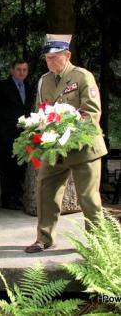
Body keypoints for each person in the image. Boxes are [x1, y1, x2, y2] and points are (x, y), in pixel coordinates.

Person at [25, 34, 107, 253]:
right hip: (55, 149)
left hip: (83, 148)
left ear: (67, 55)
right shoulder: (44, 80)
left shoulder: (82, 77)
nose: (50, 61)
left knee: (88, 198)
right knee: (45, 189)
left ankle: (99, 244)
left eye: (54, 57)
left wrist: (67, 131)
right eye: (47, 58)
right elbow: (40, 112)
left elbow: (91, 113)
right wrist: (40, 133)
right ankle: (44, 238)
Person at [0, 60, 34, 209]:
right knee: (7, 167)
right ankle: (7, 200)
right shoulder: (0, 87)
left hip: (24, 133)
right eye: (18, 69)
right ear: (11, 70)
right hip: (5, 134)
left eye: (25, 70)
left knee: (21, 167)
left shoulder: (29, 87)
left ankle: (18, 197)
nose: (22, 73)